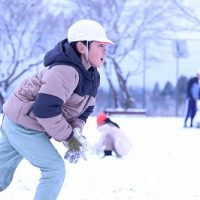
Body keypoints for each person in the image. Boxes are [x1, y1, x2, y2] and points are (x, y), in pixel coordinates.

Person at [0, 19, 113, 200]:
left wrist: (76, 132)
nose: (104, 50)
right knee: (54, 169)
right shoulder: (65, 70)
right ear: (82, 47)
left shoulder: (92, 75)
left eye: (105, 45)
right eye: (100, 45)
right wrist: (69, 137)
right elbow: (45, 109)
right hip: (24, 125)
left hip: (20, 123)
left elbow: (84, 110)